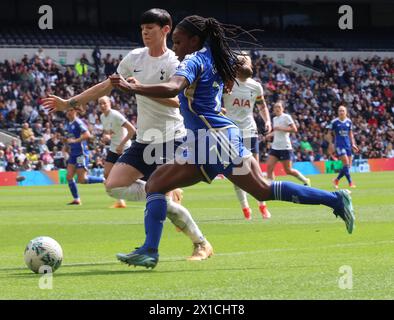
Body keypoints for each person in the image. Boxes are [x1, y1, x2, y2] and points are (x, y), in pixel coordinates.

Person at [109, 15, 356, 269]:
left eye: (179, 42)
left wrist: (134, 88)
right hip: (210, 140)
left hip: (214, 139)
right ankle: (335, 199)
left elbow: (173, 87)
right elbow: (245, 68)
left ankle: (150, 250)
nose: (176, 48)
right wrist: (231, 75)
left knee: (164, 184)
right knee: (163, 183)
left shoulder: (194, 61)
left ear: (194, 41)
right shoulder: (214, 56)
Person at [42, 8, 213, 261]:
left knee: (159, 199)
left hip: (171, 139)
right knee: (112, 185)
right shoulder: (134, 58)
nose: (145, 33)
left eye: (150, 29)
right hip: (144, 139)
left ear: (166, 30)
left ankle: (200, 244)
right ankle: (164, 194)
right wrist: (69, 103)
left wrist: (139, 89)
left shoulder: (176, 62)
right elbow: (106, 86)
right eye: (142, 29)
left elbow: (179, 102)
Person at [222, 54, 271, 220]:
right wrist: (220, 112)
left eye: (248, 60)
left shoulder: (256, 86)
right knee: (238, 173)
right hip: (231, 133)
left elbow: (261, 104)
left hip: (250, 131)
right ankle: (246, 209)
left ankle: (262, 205)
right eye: (243, 60)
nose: (246, 62)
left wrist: (268, 120)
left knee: (256, 171)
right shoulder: (226, 83)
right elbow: (214, 103)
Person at [99, 96, 136, 208]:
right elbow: (109, 132)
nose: (102, 106)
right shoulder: (102, 117)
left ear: (109, 103)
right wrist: (106, 137)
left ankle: (166, 190)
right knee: (107, 174)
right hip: (113, 148)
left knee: (132, 176)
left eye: (104, 103)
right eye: (100, 104)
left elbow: (132, 130)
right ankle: (120, 201)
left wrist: (121, 145)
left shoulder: (115, 115)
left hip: (124, 148)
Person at [63, 107, 105, 205]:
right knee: (69, 176)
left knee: (82, 179)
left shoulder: (78, 122)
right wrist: (66, 144)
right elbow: (69, 138)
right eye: (67, 110)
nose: (68, 112)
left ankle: (103, 180)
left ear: (75, 111)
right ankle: (77, 199)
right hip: (73, 153)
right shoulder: (68, 124)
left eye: (70, 110)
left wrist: (75, 141)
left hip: (81, 154)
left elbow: (87, 135)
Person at [266, 101, 311, 187]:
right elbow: (276, 131)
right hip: (275, 147)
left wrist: (281, 128)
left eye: (279, 107)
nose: (277, 109)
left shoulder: (286, 117)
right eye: (275, 107)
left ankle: (305, 180)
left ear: (282, 108)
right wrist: (269, 135)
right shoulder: (274, 119)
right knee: (269, 167)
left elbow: (294, 129)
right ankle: (270, 187)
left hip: (285, 147)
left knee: (288, 170)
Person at [330, 105, 359, 189]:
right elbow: (329, 133)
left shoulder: (349, 122)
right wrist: (331, 144)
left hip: (348, 145)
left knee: (347, 166)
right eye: (340, 110)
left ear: (346, 112)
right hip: (339, 145)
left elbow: (350, 134)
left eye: (343, 110)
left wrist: (353, 144)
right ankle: (350, 182)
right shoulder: (334, 122)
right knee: (346, 163)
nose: (341, 112)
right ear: (338, 112)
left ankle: (336, 179)